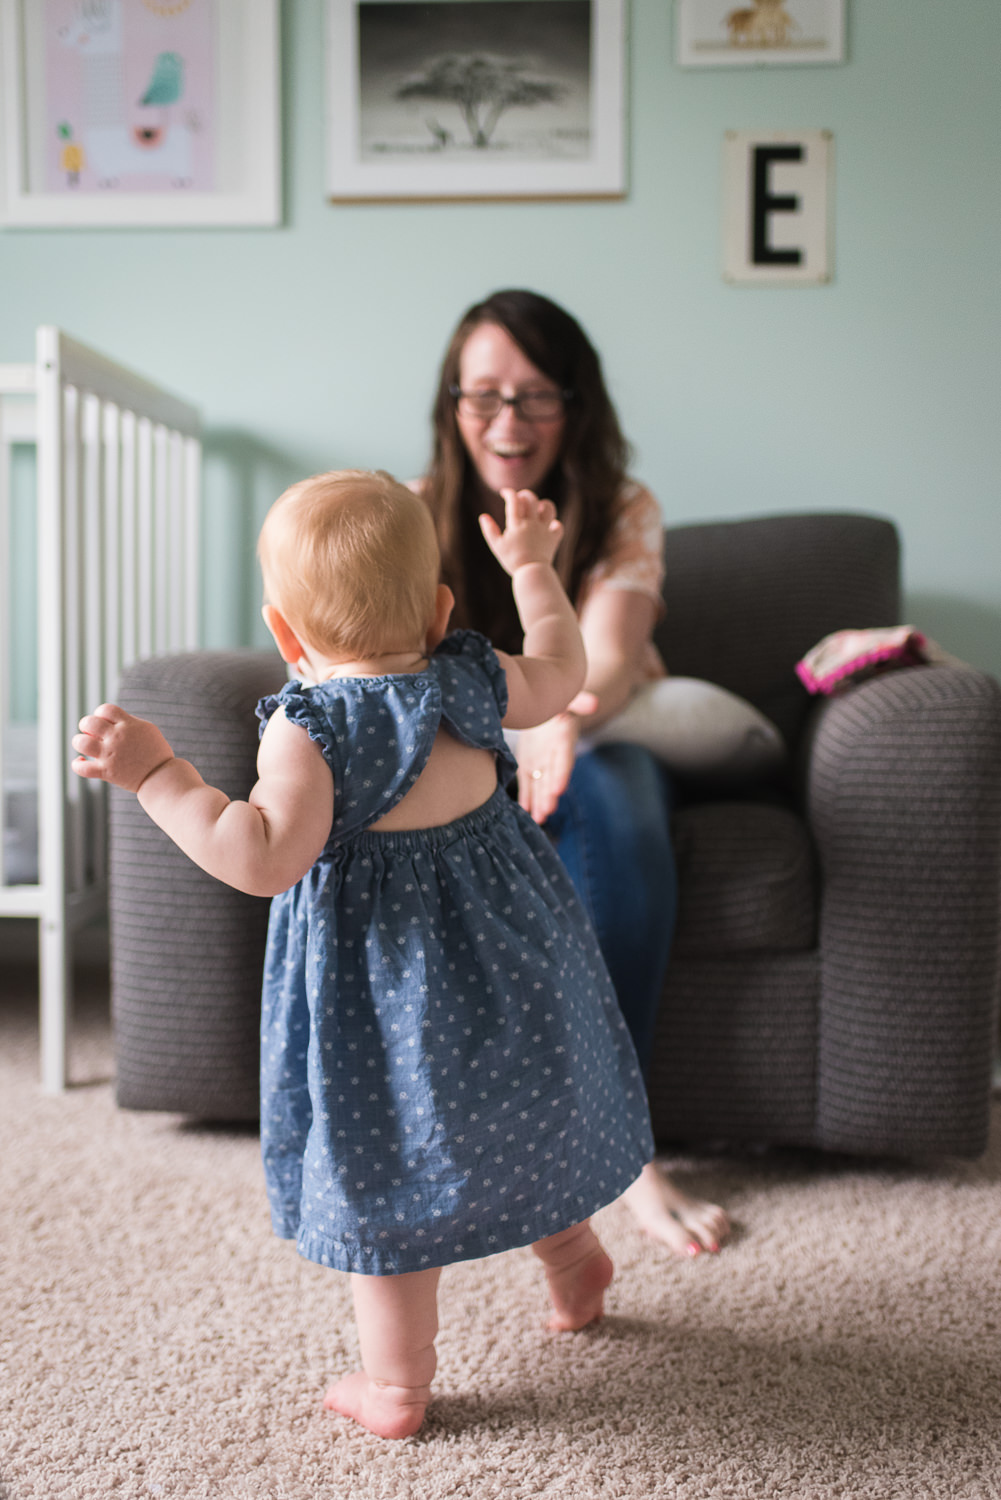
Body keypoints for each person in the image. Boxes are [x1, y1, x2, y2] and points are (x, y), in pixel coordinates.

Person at [71, 472, 656, 1441]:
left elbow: (258, 858)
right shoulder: (470, 677)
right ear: (436, 610)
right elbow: (562, 666)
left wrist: (160, 777)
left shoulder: (311, 729)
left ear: (285, 635)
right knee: (523, 1119)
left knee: (385, 1164)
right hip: (514, 966)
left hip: (383, 1001)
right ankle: (575, 1264)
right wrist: (532, 569)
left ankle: (395, 1389)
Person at [419, 289, 730, 1258]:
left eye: (535, 397)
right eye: (482, 398)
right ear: (452, 405)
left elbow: (606, 653)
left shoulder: (622, 509)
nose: (507, 425)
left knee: (612, 790)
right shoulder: (414, 514)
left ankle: (624, 1153)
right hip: (473, 753)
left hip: (604, 730)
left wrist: (560, 716)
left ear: (575, 406)